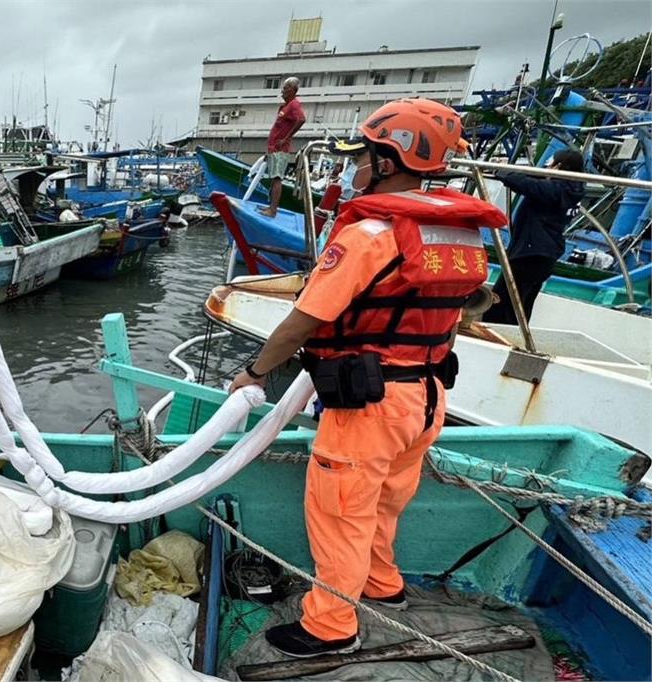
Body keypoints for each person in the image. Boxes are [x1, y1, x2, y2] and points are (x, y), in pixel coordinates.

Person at [229, 99, 507, 659]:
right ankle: (385, 587)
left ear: (388, 159)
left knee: (340, 514)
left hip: (368, 406)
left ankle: (331, 628)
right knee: (384, 503)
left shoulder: (370, 234)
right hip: (427, 399)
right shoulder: (456, 234)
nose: (354, 168)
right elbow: (456, 313)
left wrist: (254, 373)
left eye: (363, 156)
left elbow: (302, 323)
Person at [483, 149, 585, 324]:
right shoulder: (573, 190)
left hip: (530, 253)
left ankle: (495, 333)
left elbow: (528, 185)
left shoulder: (556, 191)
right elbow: (535, 182)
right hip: (545, 253)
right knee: (523, 302)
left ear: (558, 167)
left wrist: (500, 172)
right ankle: (517, 335)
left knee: (503, 300)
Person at [258, 76, 306, 218]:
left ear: (293, 90)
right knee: (274, 177)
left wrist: (286, 138)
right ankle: (271, 207)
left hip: (280, 149)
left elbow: (301, 119)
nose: (283, 91)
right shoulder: (285, 106)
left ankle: (273, 210)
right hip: (274, 149)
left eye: (286, 88)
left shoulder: (294, 104)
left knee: (277, 178)